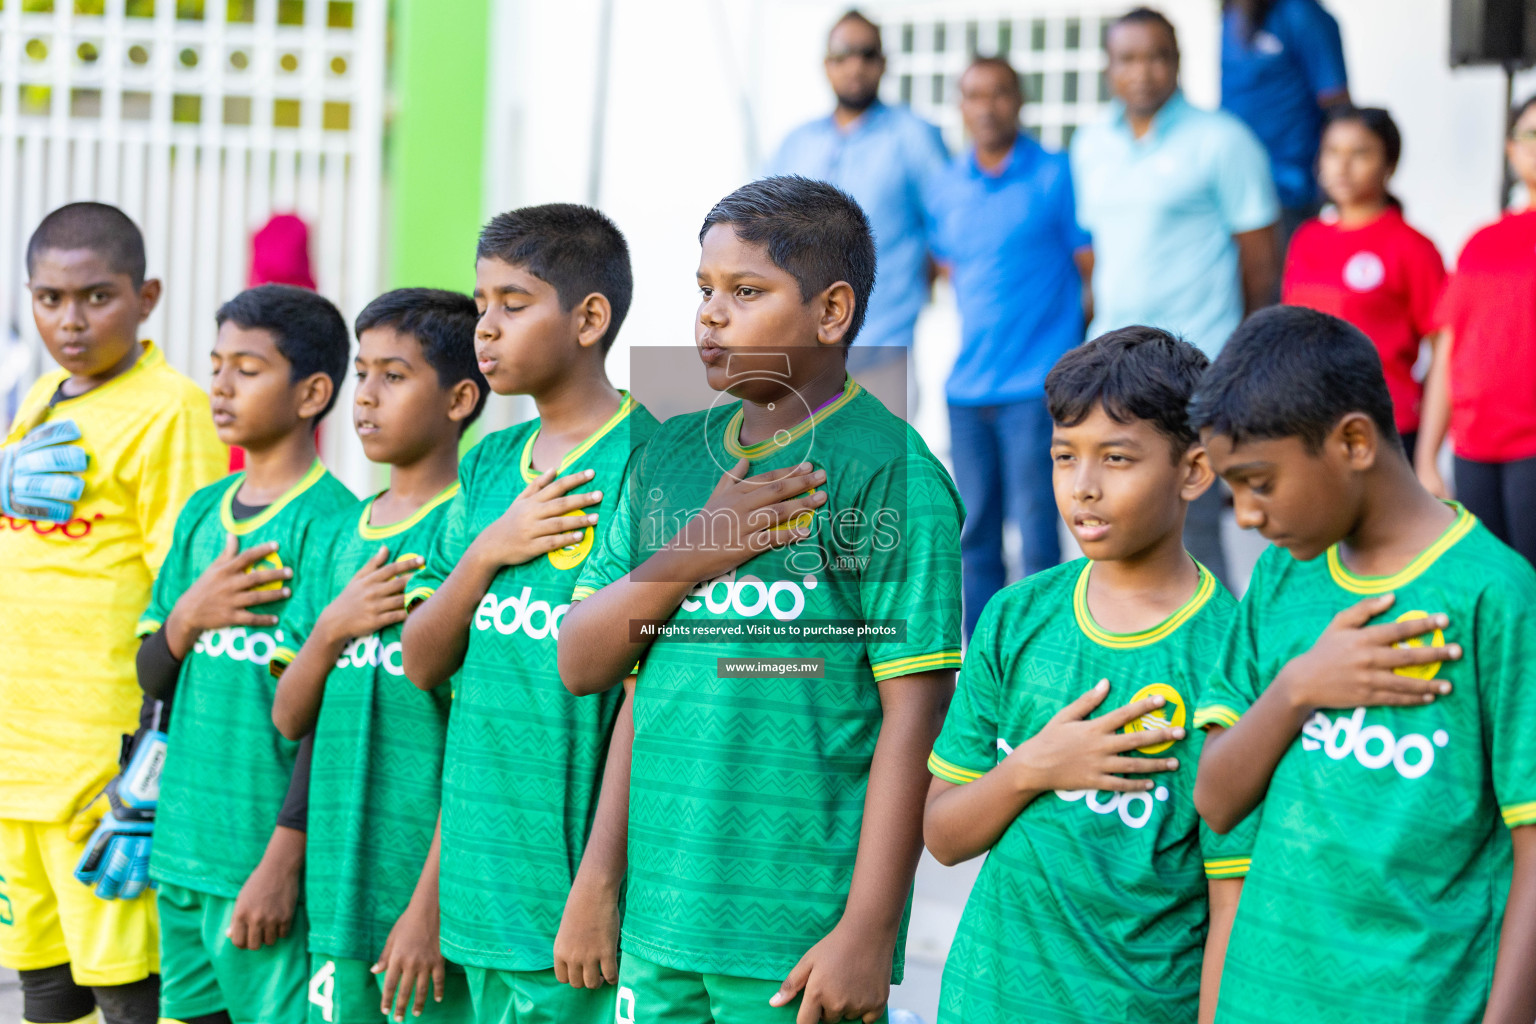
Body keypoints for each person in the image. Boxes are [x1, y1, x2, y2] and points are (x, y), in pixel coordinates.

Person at [558, 176, 964, 1024]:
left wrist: (867, 928)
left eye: (746, 292)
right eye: (704, 291)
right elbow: (590, 664)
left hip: (796, 939)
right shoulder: (666, 456)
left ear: (832, 312)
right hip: (660, 923)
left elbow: (912, 719)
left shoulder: (890, 471)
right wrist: (697, 549)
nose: (711, 315)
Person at [1192, 305, 1536, 1023]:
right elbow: (1217, 801)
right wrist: (1299, 689)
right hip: (1265, 998)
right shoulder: (1282, 583)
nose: (1246, 516)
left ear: (1352, 441)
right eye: (1233, 490)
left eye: (1260, 481)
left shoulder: (1493, 594)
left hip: (1420, 999)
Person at [924, 327, 1251, 1024]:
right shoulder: (1016, 616)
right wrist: (1033, 767)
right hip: (987, 1000)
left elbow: (1232, 905)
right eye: (1064, 457)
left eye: (1117, 459)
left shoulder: (1231, 658)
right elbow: (944, 835)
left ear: (1193, 471)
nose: (1083, 488)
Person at [399, 205, 659, 1024]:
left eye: (514, 304)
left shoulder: (655, 460)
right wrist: (488, 552)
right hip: (479, 893)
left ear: (589, 319)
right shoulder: (484, 469)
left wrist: (598, 885)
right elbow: (423, 661)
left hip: (578, 906)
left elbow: (644, 701)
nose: (487, 328)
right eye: (482, 304)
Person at [0, 203, 225, 1024]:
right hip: (19, 759)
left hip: (100, 767)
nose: (71, 319)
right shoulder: (41, 395)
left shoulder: (172, 410)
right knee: (45, 988)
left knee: (127, 990)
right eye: (50, 298)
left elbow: (189, 596)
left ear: (146, 295)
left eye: (97, 297)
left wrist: (155, 758)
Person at [135, 284, 356, 1024]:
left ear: (312, 391)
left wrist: (281, 860)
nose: (221, 386)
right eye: (216, 364)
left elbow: (329, 721)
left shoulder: (335, 526)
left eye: (248, 368)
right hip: (181, 851)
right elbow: (150, 673)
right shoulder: (204, 511)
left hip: (259, 862)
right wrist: (190, 615)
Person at [268, 289, 489, 1023]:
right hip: (337, 891)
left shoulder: (466, 534)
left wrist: (428, 909)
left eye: (393, 376)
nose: (364, 397)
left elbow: (474, 748)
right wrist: (332, 629)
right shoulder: (341, 536)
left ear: (460, 398)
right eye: (361, 373)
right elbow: (291, 716)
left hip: (428, 905)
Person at [1070, 6, 1280, 585]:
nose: (1143, 72)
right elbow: (1095, 253)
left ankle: (1219, 668)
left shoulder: (1224, 141)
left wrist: (1239, 366)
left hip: (1197, 370)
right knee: (1117, 522)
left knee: (1196, 527)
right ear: (1110, 68)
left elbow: (1260, 264)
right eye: (1128, 59)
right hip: (1112, 370)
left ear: (1179, 62)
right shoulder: (1090, 145)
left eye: (1157, 56)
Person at [925, 55, 1091, 637]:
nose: (987, 106)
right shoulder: (946, 185)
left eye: (999, 93)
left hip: (1035, 387)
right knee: (974, 532)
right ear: (961, 106)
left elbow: (1088, 265)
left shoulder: (1055, 173)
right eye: (974, 95)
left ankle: (1043, 650)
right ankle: (985, 659)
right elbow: (946, 268)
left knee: (1038, 526)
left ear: (1019, 101)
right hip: (967, 389)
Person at [766, 9, 948, 412]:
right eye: (844, 55)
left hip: (883, 349)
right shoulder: (796, 143)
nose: (856, 66)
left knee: (883, 472)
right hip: (802, 358)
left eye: (868, 54)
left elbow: (949, 229)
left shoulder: (914, 138)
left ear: (883, 63)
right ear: (826, 65)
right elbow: (761, 236)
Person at [1282, 107, 1444, 457]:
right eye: (1332, 152)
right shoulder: (1306, 238)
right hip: (1308, 424)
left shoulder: (1412, 246)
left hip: (1385, 429)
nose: (1342, 166)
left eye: (1360, 153)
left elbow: (1445, 347)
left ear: (1389, 165)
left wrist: (1429, 454)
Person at [1416, 96, 1536, 567]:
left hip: (1532, 450)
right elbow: (1449, 352)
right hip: (1473, 450)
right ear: (1510, 149)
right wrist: (1428, 458)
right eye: (1530, 134)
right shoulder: (1481, 242)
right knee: (1492, 592)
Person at [1221, 0, 1349, 248]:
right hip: (1235, 182)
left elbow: (1336, 103)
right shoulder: (1231, 13)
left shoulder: (1301, 13)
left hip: (1287, 186)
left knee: (1276, 280)